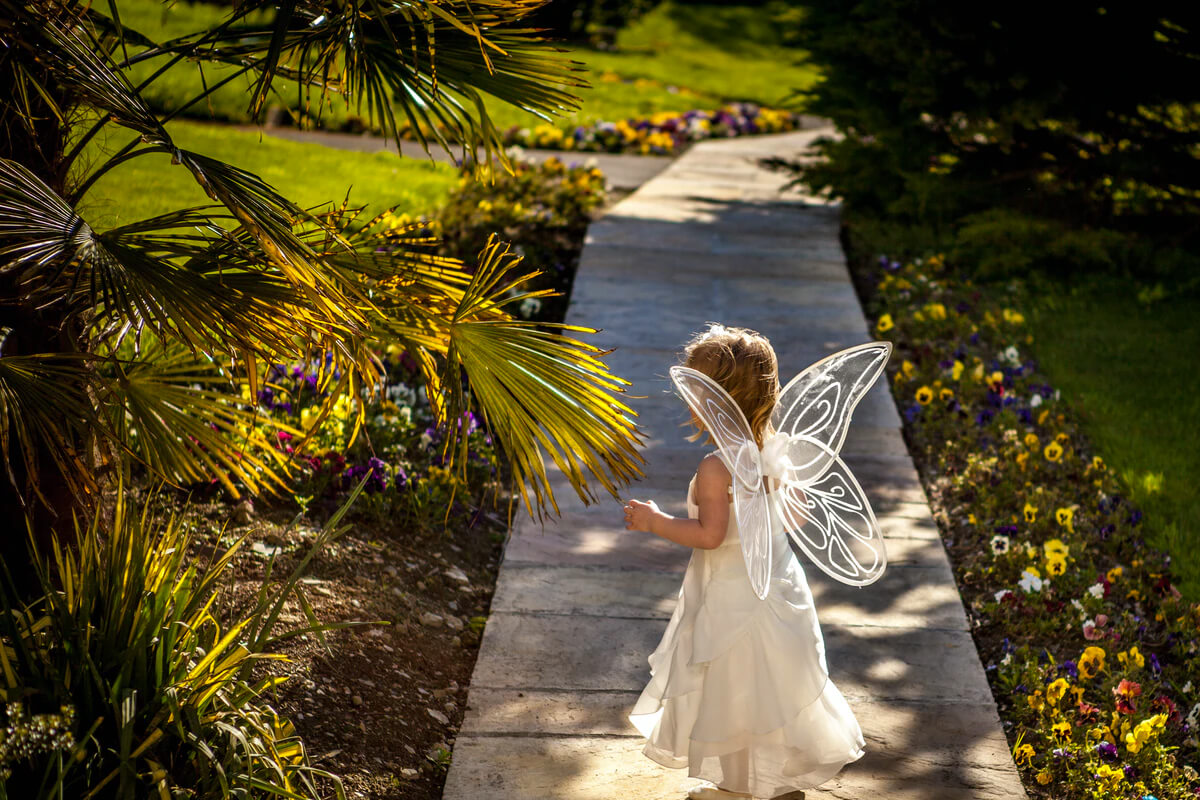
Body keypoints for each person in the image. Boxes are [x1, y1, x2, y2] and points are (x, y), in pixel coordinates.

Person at [623, 324, 866, 800]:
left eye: (697, 390)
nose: (689, 401)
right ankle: (770, 779)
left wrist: (655, 523)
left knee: (735, 683)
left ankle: (740, 784)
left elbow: (710, 536)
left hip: (732, 594)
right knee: (770, 683)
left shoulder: (717, 468)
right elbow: (793, 518)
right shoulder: (775, 453)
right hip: (778, 585)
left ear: (718, 400)